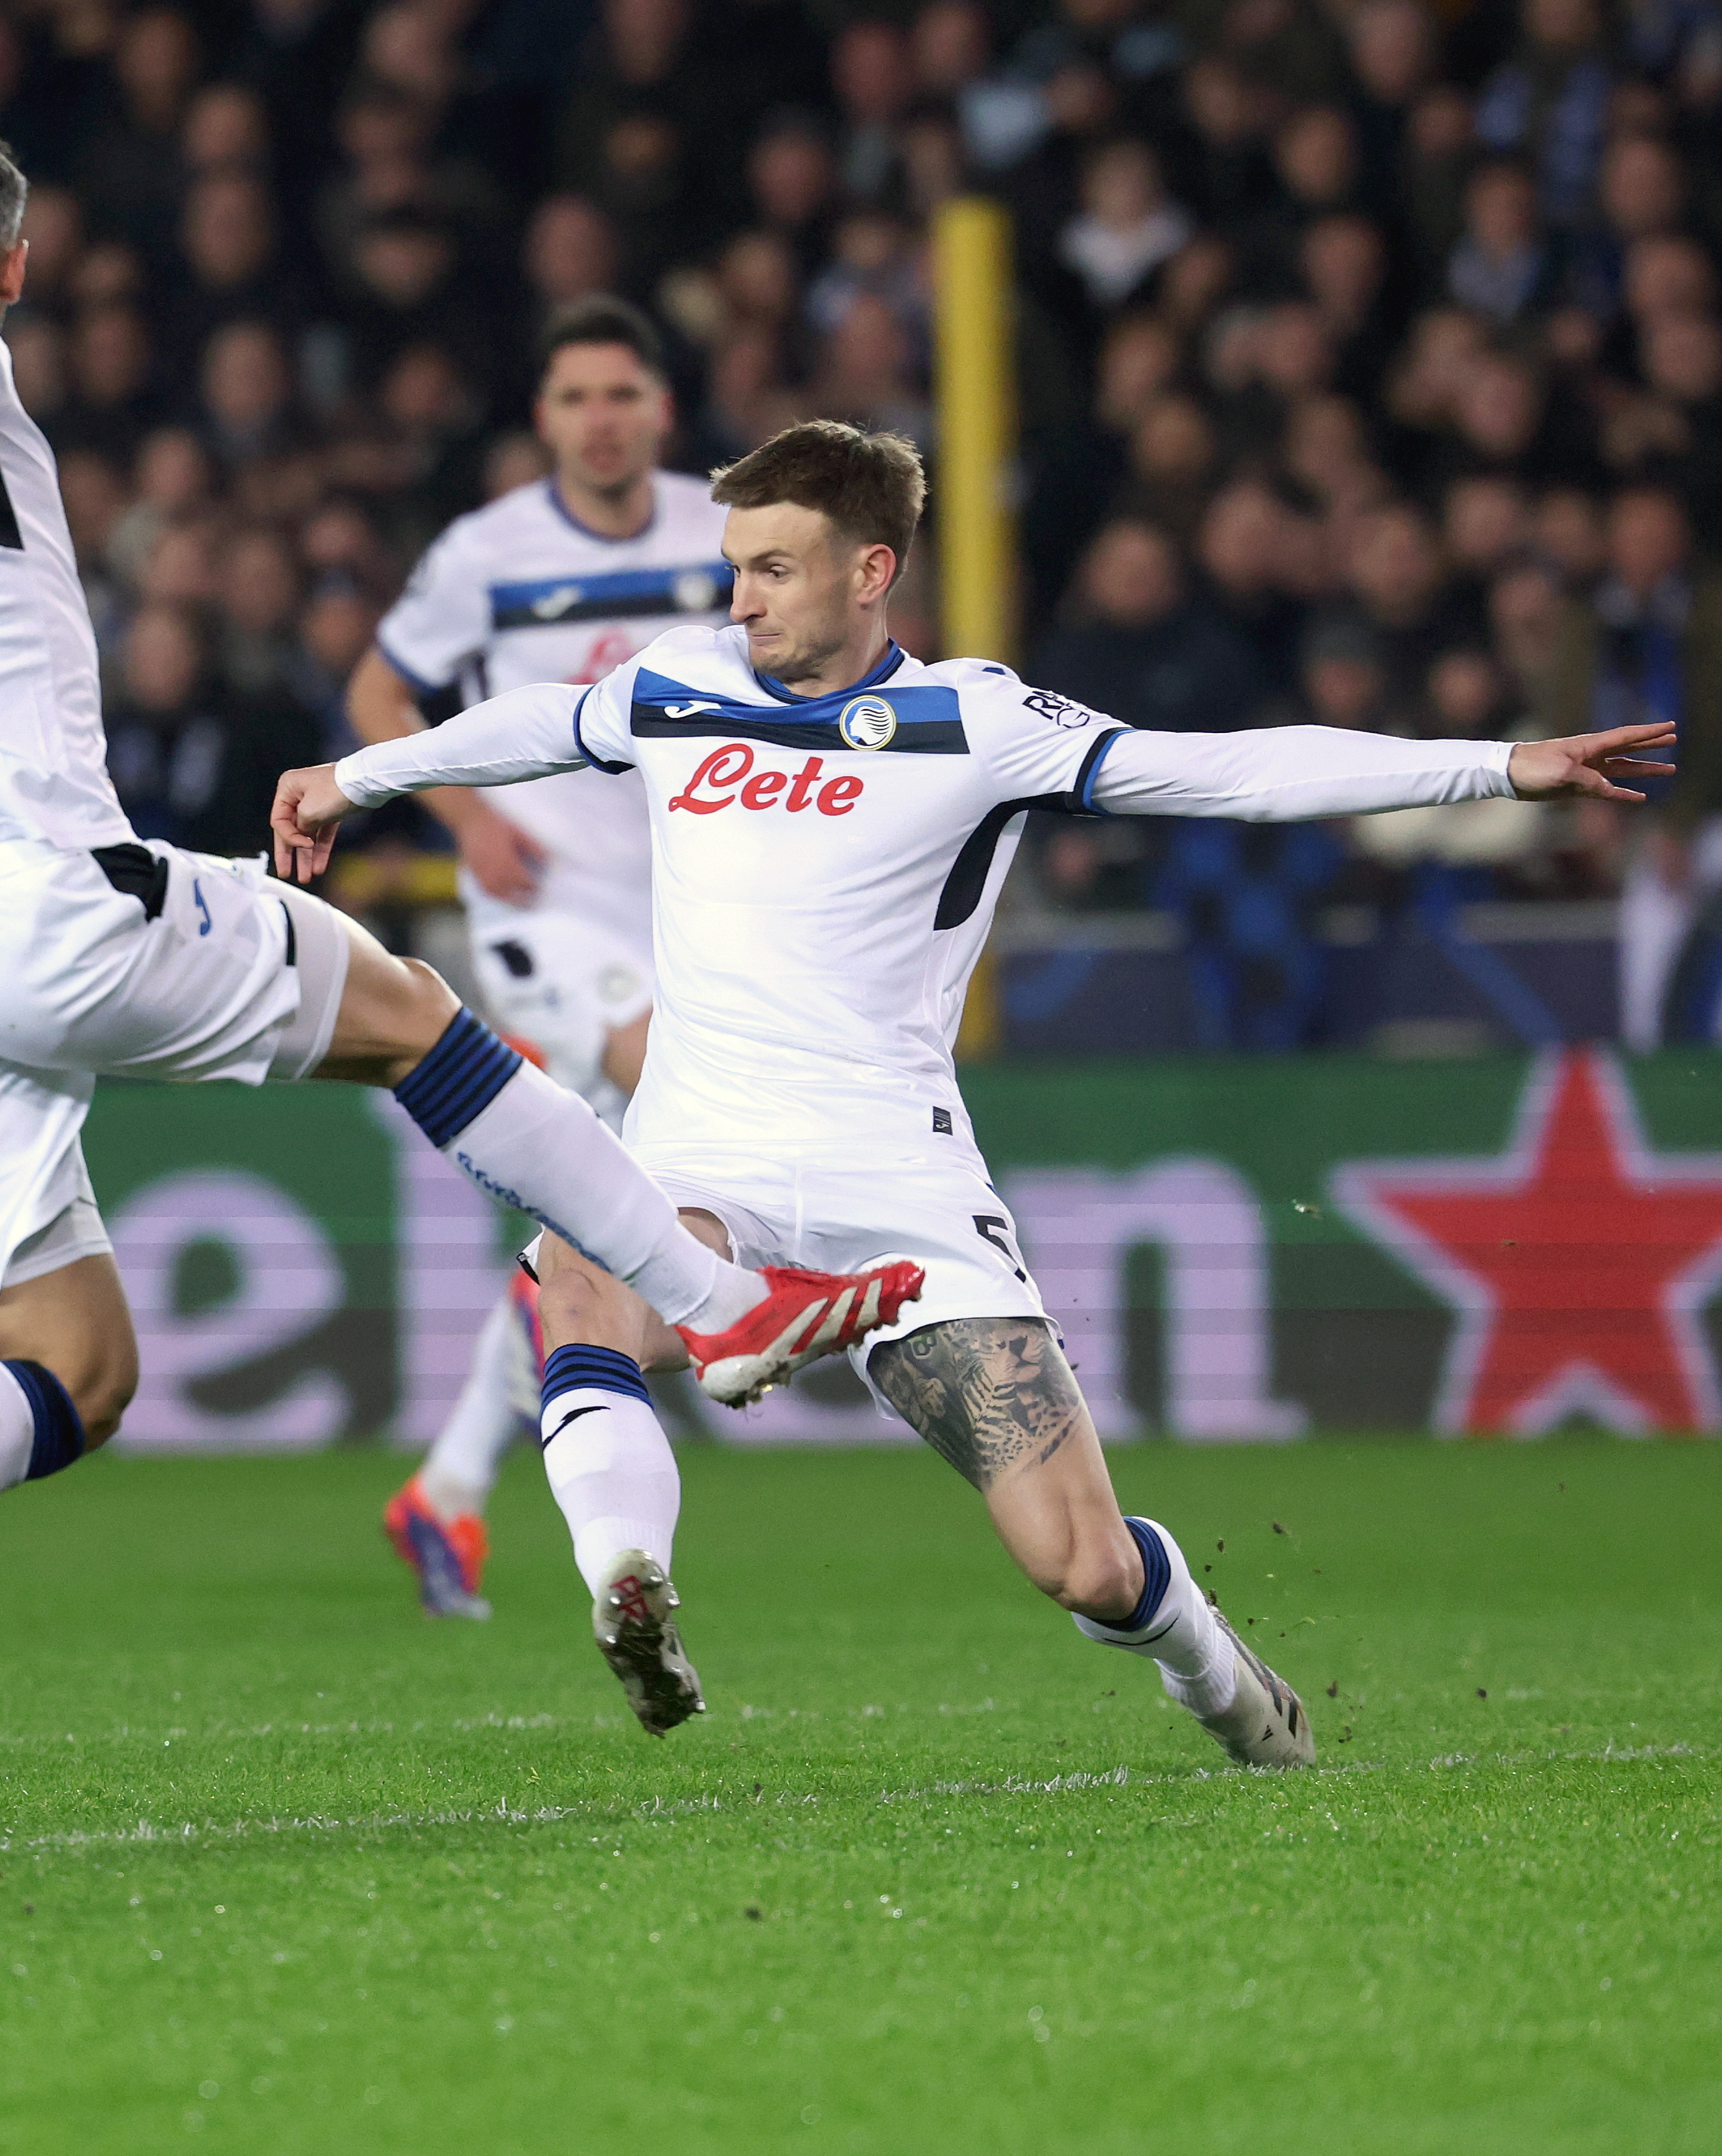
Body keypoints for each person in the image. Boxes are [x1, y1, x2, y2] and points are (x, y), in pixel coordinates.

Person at [0, 97, 923, 1757]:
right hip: (32, 891)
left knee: (75, 1363)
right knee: (412, 1014)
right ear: (20, 270)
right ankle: (710, 1299)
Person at [272, 419, 1672, 1761]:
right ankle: (627, 1573)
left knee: (1080, 1565)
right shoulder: (674, 685)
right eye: (734, 565)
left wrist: (1495, 765)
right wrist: (355, 777)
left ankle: (1222, 1681)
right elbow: (523, 725)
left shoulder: (976, 721)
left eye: (771, 566)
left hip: (898, 1190)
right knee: (570, 1270)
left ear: (868, 570)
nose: (737, 596)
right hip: (698, 1164)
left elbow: (1230, 774)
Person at [347, 294, 733, 1621]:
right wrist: (467, 813)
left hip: (685, 910)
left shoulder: (720, 529)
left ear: (658, 409)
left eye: (620, 395)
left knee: (590, 1225)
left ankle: (445, 1492)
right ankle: (736, 1325)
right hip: (540, 910)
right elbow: (374, 693)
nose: (599, 419)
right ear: (543, 419)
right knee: (655, 1089)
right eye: (574, 399)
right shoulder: (485, 549)